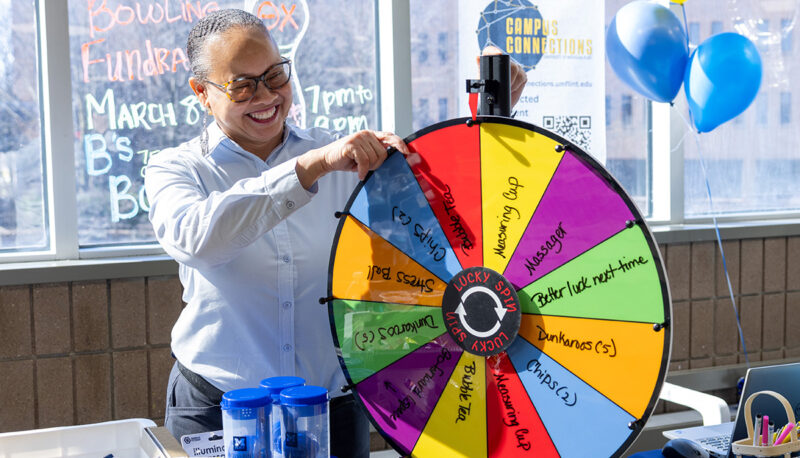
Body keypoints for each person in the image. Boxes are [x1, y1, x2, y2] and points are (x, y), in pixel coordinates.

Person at [145, 8, 527, 457]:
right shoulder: (178, 167)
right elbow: (198, 239)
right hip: (217, 405)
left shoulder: (342, 158)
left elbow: (444, 211)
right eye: (243, 85)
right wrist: (309, 168)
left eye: (274, 76)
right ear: (202, 93)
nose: (266, 96)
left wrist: (493, 111)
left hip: (329, 407)